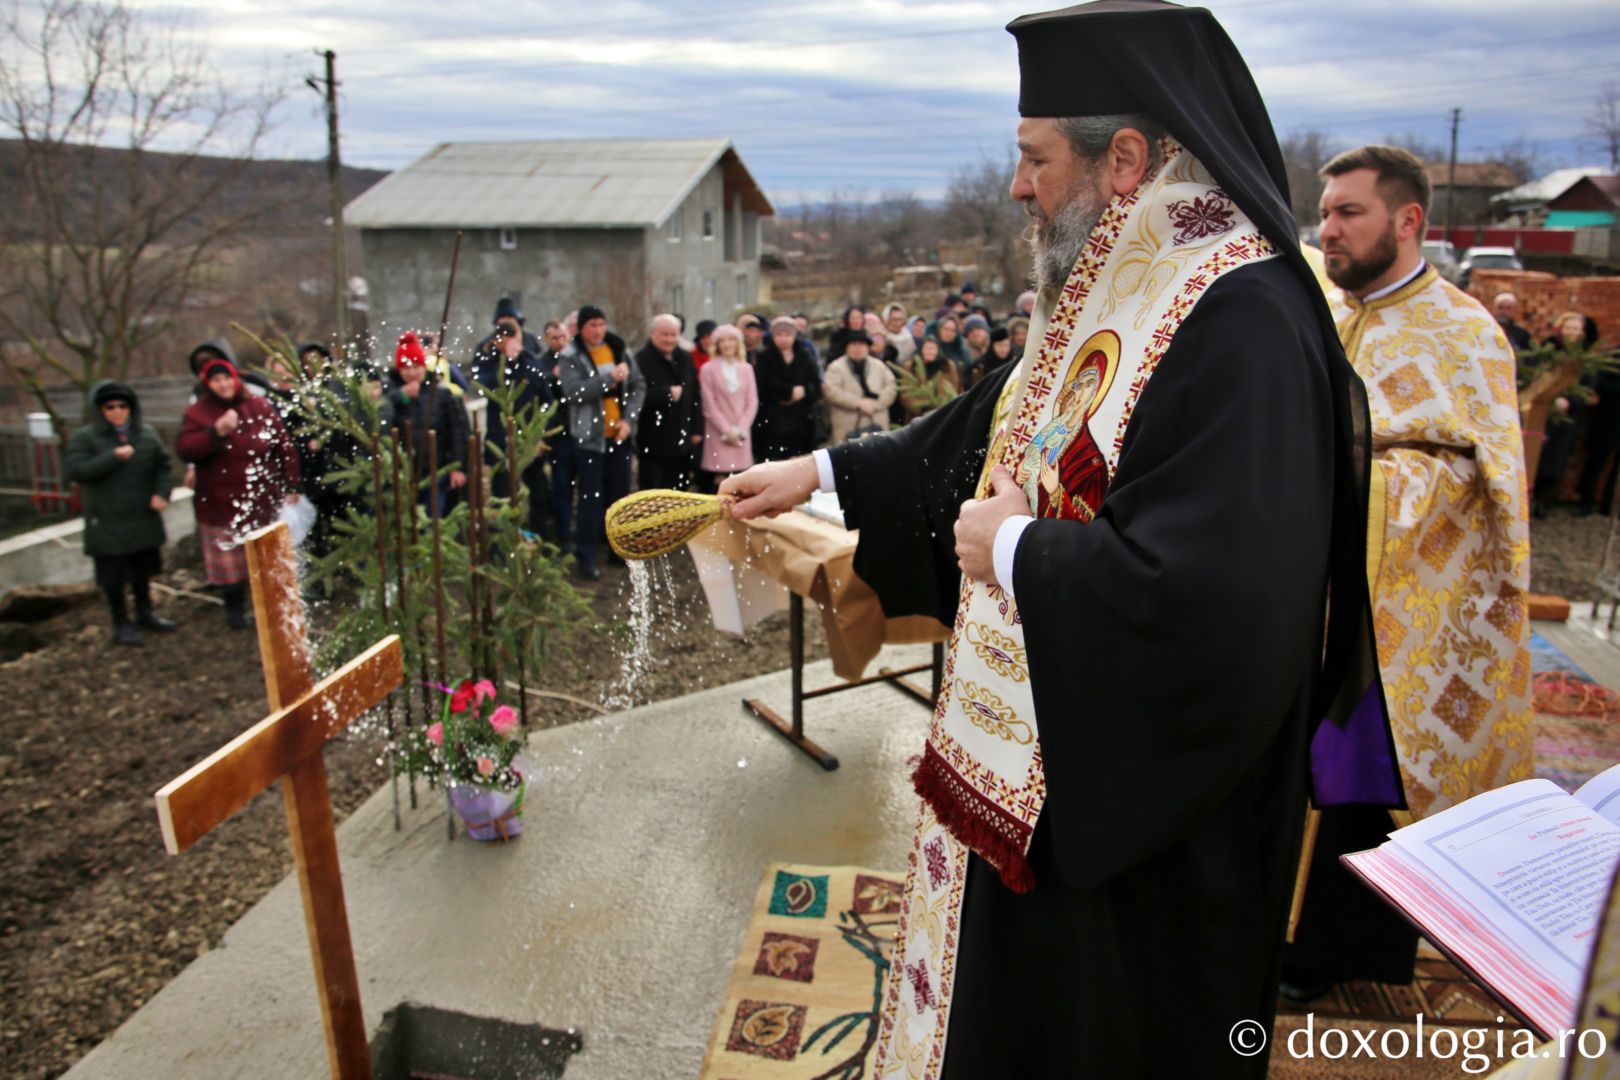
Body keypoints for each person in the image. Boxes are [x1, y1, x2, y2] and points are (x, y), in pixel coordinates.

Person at [719, 2, 1388, 1072]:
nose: (1019, 186)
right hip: (1050, 782)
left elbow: (1220, 605)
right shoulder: (1135, 277)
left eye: (1033, 159)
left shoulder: (1247, 317)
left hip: (1145, 836)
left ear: (1125, 159)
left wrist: (1020, 555)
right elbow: (1004, 412)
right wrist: (823, 470)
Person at [1288, 143, 1532, 999]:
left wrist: (1354, 474)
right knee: (1304, 774)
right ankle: (1297, 937)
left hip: (1405, 619)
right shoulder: (1327, 320)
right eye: (1325, 214)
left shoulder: (1466, 332)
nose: (1331, 230)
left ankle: (1348, 958)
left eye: (1349, 212)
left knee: (1365, 783)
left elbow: (1487, 484)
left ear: (1408, 220)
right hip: (1312, 599)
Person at [177, 354, 301, 630]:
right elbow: (185, 449)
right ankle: (234, 611)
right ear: (208, 384)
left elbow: (284, 446)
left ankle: (271, 609)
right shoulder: (199, 414)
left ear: (235, 378)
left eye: (226, 378)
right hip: (220, 502)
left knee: (265, 559)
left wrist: (291, 483)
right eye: (216, 380)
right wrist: (214, 433)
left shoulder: (258, 406)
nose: (223, 385)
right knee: (230, 561)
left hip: (261, 499)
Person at [66, 381, 176, 646]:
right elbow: (77, 471)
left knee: (143, 569)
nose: (117, 412)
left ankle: (145, 612)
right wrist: (112, 457)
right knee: (113, 577)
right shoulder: (86, 438)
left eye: (122, 406)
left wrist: (162, 493)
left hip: (141, 516)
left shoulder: (146, 435)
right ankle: (120, 623)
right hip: (107, 521)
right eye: (110, 407)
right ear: (100, 410)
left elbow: (164, 467)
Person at [560, 304, 644, 577]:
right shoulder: (571, 355)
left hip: (619, 435)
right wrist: (609, 378)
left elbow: (638, 386)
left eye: (601, 324)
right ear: (581, 328)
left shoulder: (619, 349)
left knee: (619, 497)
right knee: (590, 498)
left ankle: (617, 550)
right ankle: (587, 557)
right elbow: (574, 392)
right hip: (590, 439)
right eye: (591, 325)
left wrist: (628, 421)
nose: (597, 331)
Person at [474, 323, 554, 536]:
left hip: (528, 437)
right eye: (504, 338)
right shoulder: (488, 361)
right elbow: (483, 385)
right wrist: (506, 362)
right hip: (499, 441)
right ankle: (504, 540)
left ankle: (540, 539)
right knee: (502, 494)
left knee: (538, 492)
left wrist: (539, 436)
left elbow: (545, 395)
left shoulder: (529, 360)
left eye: (514, 337)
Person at [381, 331, 470, 517]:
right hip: (403, 473)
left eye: (416, 366)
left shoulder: (442, 394)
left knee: (434, 520)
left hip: (437, 470)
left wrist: (459, 467)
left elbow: (458, 432)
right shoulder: (390, 394)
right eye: (406, 368)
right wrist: (399, 397)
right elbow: (381, 421)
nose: (412, 372)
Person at [634, 313, 702, 491]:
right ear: (652, 333)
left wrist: (696, 429)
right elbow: (635, 397)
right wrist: (665, 394)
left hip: (681, 438)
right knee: (653, 492)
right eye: (665, 334)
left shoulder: (685, 358)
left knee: (679, 490)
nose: (670, 339)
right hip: (653, 439)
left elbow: (695, 394)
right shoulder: (641, 360)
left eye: (674, 335)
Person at [751, 316, 821, 462]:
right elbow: (761, 386)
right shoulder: (765, 357)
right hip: (773, 421)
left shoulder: (805, 355)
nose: (784, 339)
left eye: (787, 334)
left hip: (801, 420)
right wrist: (787, 392)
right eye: (779, 335)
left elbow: (816, 384)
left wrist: (805, 391)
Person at [697, 325, 758, 490]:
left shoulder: (746, 369)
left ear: (738, 343)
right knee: (720, 482)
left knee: (741, 482)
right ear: (716, 345)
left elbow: (752, 402)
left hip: (742, 433)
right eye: (722, 341)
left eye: (731, 340)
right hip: (718, 433)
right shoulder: (708, 369)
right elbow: (709, 405)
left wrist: (740, 429)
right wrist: (727, 430)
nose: (727, 344)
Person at [823, 330, 897, 442]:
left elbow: (891, 387)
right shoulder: (836, 368)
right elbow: (831, 390)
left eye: (862, 344)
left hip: (877, 423)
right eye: (854, 344)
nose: (858, 348)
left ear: (868, 347)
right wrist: (858, 403)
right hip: (847, 426)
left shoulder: (879, 366)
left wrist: (875, 404)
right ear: (846, 347)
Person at [896, 336, 961, 423]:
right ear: (921, 349)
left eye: (933, 348)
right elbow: (906, 393)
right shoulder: (911, 366)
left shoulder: (948, 366)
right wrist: (919, 410)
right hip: (918, 417)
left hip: (943, 414)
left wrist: (944, 409)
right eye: (927, 348)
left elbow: (954, 389)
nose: (930, 352)